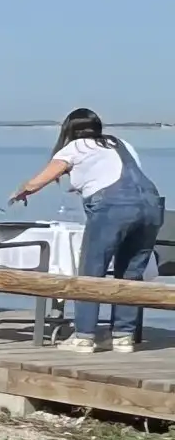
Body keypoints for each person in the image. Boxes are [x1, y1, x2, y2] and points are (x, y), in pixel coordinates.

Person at [9, 109, 165, 353]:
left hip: (114, 208)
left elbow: (42, 179)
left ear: (68, 130)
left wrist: (23, 191)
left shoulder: (75, 147)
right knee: (131, 274)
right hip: (152, 205)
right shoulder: (120, 144)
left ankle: (84, 336)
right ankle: (123, 336)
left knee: (91, 271)